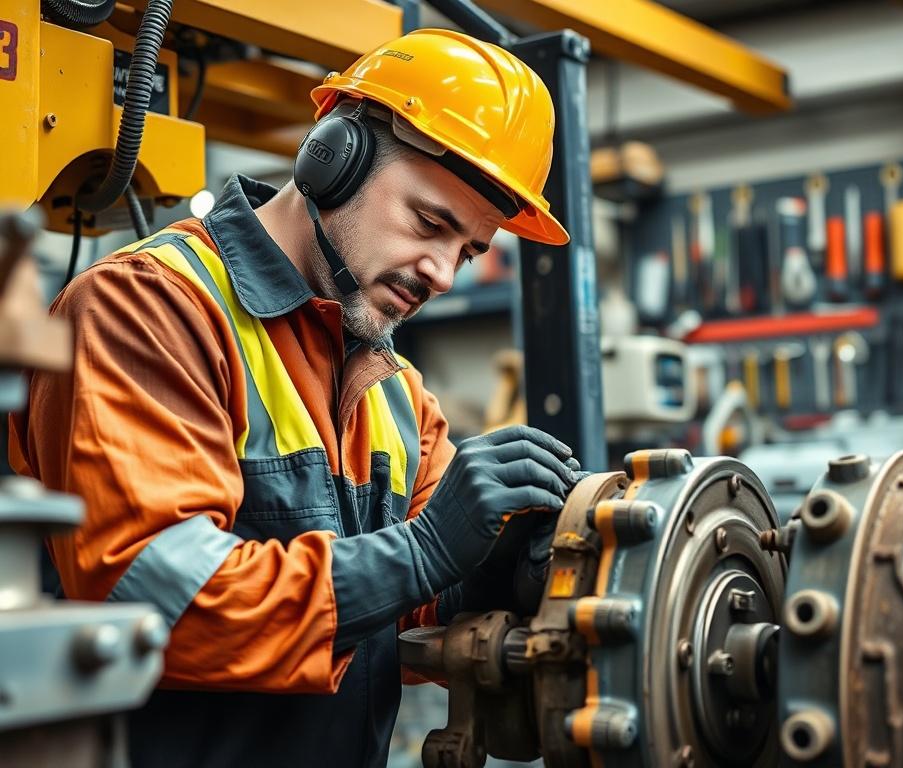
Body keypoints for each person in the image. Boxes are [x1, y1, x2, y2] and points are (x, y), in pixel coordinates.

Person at [10, 28, 581, 767]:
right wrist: (427, 546)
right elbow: (160, 604)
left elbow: (404, 610)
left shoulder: (395, 392)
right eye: (430, 223)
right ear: (333, 158)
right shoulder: (147, 310)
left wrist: (508, 564)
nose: (444, 273)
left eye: (469, 250)